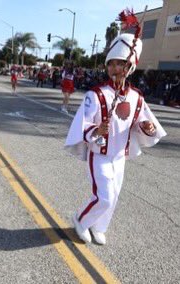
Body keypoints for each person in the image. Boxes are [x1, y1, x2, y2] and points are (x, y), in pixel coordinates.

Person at [65, 31, 166, 246]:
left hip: (119, 157)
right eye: (111, 64)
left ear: (129, 68)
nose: (114, 69)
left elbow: (140, 123)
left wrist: (145, 126)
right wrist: (96, 130)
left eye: (120, 64)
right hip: (99, 155)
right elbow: (82, 123)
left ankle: (99, 226)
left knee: (115, 196)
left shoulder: (136, 96)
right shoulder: (96, 94)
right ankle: (81, 220)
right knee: (105, 197)